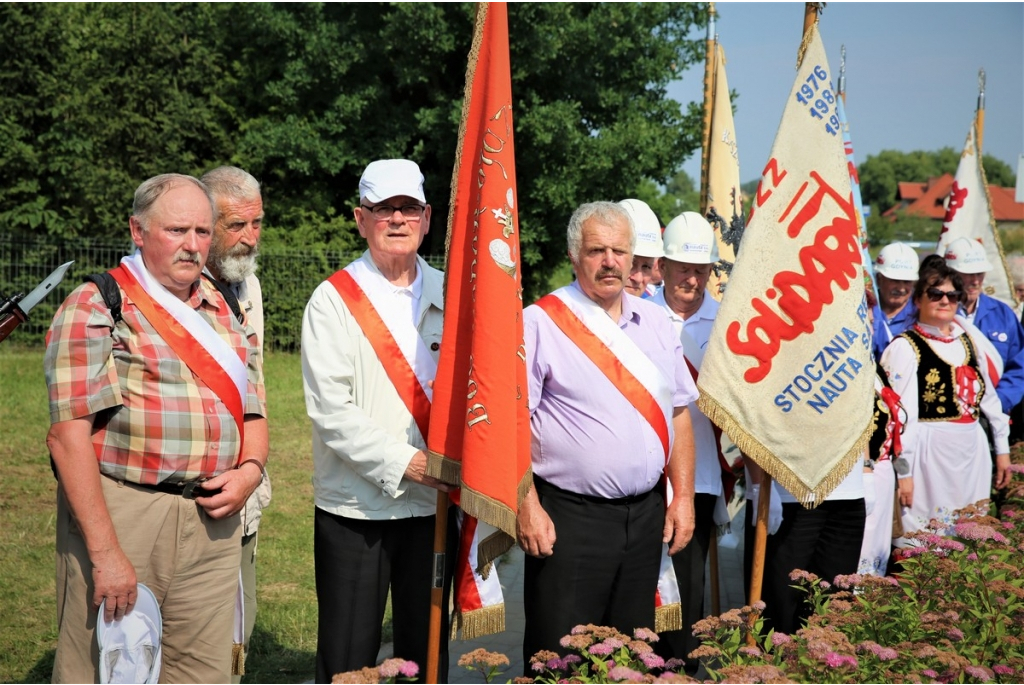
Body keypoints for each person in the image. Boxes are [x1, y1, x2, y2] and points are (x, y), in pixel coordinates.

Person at [44, 173, 269, 683]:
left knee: (204, 674)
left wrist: (251, 469)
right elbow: (67, 436)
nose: (193, 246)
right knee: (104, 670)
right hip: (126, 515)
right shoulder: (97, 303)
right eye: (177, 231)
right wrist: (106, 554)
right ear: (138, 231)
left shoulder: (225, 306)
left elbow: (254, 409)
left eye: (203, 232)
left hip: (213, 520)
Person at [517, 201, 698, 665]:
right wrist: (526, 505)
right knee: (561, 657)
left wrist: (683, 497)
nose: (610, 261)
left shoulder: (656, 322)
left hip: (645, 520)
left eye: (620, 250)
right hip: (569, 521)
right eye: (597, 250)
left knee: (633, 657)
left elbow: (678, 413)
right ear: (575, 255)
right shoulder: (541, 322)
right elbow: (514, 425)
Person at [301, 159, 455, 683]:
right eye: (382, 208)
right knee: (349, 658)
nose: (396, 219)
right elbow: (331, 413)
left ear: (427, 217)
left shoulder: (454, 295)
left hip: (433, 509)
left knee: (426, 657)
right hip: (356, 512)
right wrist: (411, 463)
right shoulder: (332, 300)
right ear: (359, 218)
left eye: (407, 207)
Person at [882, 257, 1011, 543]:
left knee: (969, 532)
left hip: (971, 451)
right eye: (935, 294)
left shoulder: (968, 341)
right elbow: (899, 419)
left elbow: (989, 400)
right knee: (925, 536)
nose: (945, 301)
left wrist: (1002, 449)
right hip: (929, 453)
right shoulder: (905, 347)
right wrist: (904, 471)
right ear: (918, 300)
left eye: (952, 295)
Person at [201, 165, 272, 680]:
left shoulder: (250, 287)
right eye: (236, 225)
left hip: (241, 488)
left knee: (232, 641)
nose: (250, 238)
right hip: (182, 494)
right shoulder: (164, 290)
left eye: (257, 223)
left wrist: (251, 469)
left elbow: (257, 390)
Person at [648, 211, 726, 669]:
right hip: (641, 478)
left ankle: (680, 673)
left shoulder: (729, 326)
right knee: (641, 593)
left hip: (700, 479)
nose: (691, 279)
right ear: (663, 266)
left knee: (685, 597)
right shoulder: (636, 315)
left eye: (700, 270)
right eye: (683, 267)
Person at [944, 236, 1024, 417]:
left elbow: (1020, 366)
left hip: (993, 417)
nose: (975, 281)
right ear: (950, 273)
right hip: (945, 417)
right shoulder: (935, 313)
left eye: (979, 273)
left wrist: (999, 402)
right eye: (968, 274)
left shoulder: (1003, 315)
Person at [858, 289, 907, 576]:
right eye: (861, 318)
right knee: (857, 560)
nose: (868, 325)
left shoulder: (877, 369)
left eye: (871, 321)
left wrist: (902, 474)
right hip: (862, 475)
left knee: (877, 560)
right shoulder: (848, 372)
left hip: (885, 475)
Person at [871, 241, 920, 360]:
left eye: (907, 281)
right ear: (879, 279)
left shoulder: (921, 314)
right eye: (895, 280)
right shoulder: (865, 309)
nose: (901, 288)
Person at [618, 199, 665, 299]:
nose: (638, 279)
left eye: (646, 267)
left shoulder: (653, 313)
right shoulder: (580, 311)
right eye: (631, 264)